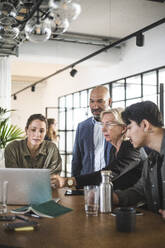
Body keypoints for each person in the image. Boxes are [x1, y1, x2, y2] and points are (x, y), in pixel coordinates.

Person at [54, 108, 145, 190]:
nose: (103, 129)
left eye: (109, 124)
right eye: (102, 124)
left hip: (138, 205)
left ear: (123, 128)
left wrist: (68, 181)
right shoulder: (113, 149)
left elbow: (106, 175)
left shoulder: (132, 149)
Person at [112, 101, 165, 219]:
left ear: (145, 125)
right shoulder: (151, 159)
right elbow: (141, 190)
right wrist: (115, 197)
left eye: (130, 127)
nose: (127, 134)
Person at [5, 114, 62, 187]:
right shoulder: (12, 148)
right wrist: (43, 180)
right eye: (33, 130)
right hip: (19, 193)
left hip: (45, 194)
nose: (37, 134)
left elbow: (53, 179)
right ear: (26, 130)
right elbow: (14, 178)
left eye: (42, 131)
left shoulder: (52, 148)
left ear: (46, 132)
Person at [72, 85, 112, 177]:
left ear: (109, 101)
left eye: (100, 101)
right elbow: (76, 161)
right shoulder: (82, 127)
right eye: (92, 101)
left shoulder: (120, 124)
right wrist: (74, 185)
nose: (95, 106)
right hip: (88, 185)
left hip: (114, 184)